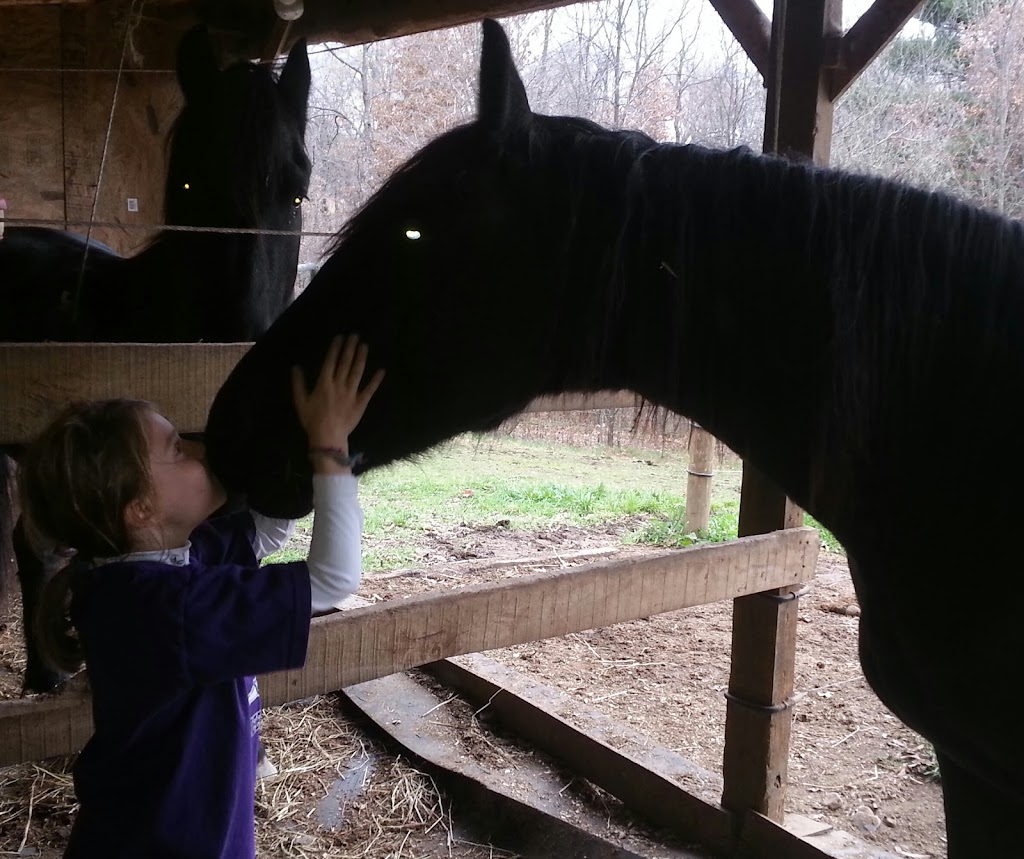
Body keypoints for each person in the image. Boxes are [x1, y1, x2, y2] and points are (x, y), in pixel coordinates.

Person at [17, 334, 384, 858]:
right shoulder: (163, 607)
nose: (198, 449)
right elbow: (333, 579)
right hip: (169, 843)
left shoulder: (160, 564)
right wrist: (331, 448)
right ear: (139, 509)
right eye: (176, 449)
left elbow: (268, 532)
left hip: (169, 827)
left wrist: (293, 432)